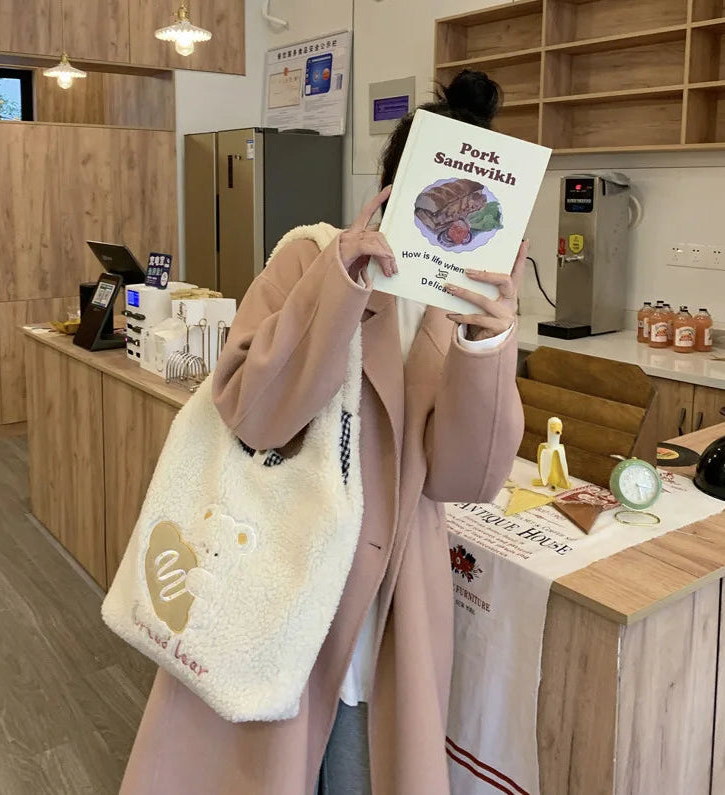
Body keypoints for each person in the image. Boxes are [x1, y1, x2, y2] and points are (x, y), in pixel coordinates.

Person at [119, 69, 525, 795]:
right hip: (278, 589)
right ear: (397, 185)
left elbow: (466, 477)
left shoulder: (454, 312)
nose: (455, 219)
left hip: (390, 613)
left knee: (361, 767)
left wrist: (484, 346)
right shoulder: (310, 257)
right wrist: (342, 281)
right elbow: (251, 410)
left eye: (476, 207)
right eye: (441, 196)